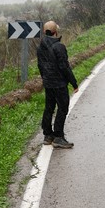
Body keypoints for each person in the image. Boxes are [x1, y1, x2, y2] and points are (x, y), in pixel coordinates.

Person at [37, 20, 79, 149]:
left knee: (49, 108)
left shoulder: (40, 47)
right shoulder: (59, 46)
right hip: (59, 84)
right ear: (56, 32)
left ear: (45, 31)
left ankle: (48, 135)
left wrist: (45, 78)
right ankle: (59, 137)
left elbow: (40, 66)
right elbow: (64, 67)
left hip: (48, 83)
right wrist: (74, 83)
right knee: (62, 108)